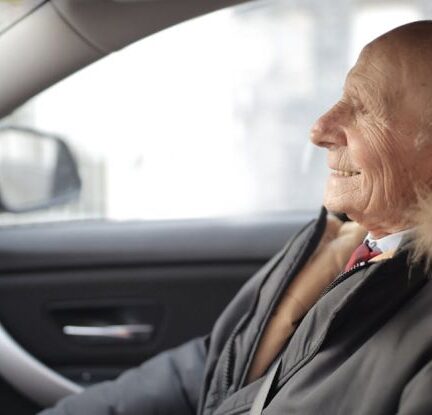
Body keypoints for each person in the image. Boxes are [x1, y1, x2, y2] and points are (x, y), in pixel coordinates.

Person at [40, 21, 432, 415]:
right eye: (341, 98)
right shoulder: (340, 246)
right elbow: (214, 370)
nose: (319, 129)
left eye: (364, 109)